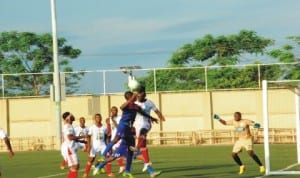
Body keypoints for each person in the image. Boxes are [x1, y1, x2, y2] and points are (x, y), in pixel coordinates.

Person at [93, 91, 157, 178]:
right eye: (133, 96)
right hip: (123, 125)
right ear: (130, 97)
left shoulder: (136, 106)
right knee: (116, 140)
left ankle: (127, 171)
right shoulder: (127, 105)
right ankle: (103, 156)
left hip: (128, 129)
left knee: (130, 153)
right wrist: (131, 99)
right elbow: (121, 107)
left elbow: (142, 113)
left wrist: (151, 117)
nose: (136, 96)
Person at [133, 88, 164, 177]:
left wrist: (161, 116)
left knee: (142, 134)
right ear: (136, 95)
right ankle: (151, 172)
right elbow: (138, 112)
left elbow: (156, 111)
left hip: (146, 124)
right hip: (136, 126)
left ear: (144, 95)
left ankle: (136, 150)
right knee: (143, 149)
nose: (139, 97)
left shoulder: (149, 102)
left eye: (141, 96)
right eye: (138, 95)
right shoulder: (134, 103)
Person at [83, 113, 114, 178]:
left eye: (99, 117)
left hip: (103, 145)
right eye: (97, 117)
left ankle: (109, 173)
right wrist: (88, 146)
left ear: (101, 118)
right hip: (94, 145)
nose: (98, 118)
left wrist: (109, 147)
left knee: (108, 158)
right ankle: (86, 174)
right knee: (91, 159)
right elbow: (88, 137)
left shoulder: (104, 128)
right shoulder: (92, 127)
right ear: (94, 119)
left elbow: (106, 138)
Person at [61, 112, 86, 178]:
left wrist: (81, 141)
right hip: (69, 148)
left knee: (76, 166)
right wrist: (82, 136)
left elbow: (71, 137)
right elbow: (70, 137)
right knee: (75, 166)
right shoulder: (68, 126)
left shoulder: (70, 125)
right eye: (71, 115)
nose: (73, 116)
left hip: (71, 148)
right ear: (68, 118)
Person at [106, 106, 126, 174]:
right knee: (116, 153)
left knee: (116, 153)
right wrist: (108, 136)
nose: (113, 112)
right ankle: (122, 166)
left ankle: (122, 166)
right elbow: (109, 129)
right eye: (112, 110)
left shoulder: (120, 118)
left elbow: (118, 127)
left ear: (117, 111)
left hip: (119, 137)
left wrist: (113, 120)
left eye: (115, 110)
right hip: (113, 138)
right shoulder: (108, 119)